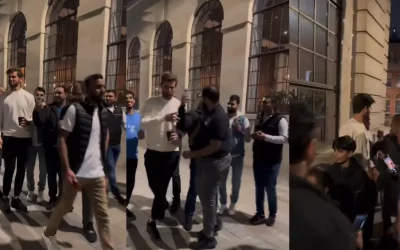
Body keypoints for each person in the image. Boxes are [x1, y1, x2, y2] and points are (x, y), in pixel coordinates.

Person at [41, 74, 114, 250]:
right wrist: (67, 169)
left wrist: (102, 167)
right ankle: (49, 233)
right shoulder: (75, 110)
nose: (102, 90)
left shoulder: (104, 111)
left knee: (103, 216)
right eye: (97, 87)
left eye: (103, 86)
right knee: (64, 207)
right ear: (88, 90)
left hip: (96, 174)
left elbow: (106, 136)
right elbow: (62, 139)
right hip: (76, 172)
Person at [290, 102, 362, 250]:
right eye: (335, 150)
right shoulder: (329, 171)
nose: (336, 154)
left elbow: (363, 210)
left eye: (340, 151)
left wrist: (353, 229)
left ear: (349, 153)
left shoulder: (360, 178)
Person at [182, 86, 231, 249]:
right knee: (209, 195)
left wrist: (192, 154)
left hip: (215, 162)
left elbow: (215, 147)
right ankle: (214, 224)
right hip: (207, 161)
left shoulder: (219, 117)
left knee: (207, 199)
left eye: (202, 97)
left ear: (207, 98)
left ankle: (209, 237)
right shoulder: (209, 111)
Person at [140, 71, 181, 239]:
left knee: (161, 189)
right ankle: (162, 203)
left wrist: (179, 135)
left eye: (172, 87)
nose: (169, 90)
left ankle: (152, 220)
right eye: (166, 87)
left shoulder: (179, 104)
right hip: (153, 152)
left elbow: (184, 126)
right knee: (154, 185)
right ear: (160, 85)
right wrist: (163, 117)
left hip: (171, 152)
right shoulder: (151, 102)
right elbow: (142, 122)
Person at [0, 67, 35, 213]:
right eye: (9, 77)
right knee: (9, 169)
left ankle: (16, 198)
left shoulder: (28, 97)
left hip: (24, 138)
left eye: (14, 77)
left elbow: (34, 118)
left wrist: (29, 122)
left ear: (20, 79)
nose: (11, 79)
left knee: (21, 170)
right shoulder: (3, 97)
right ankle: (6, 197)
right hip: (8, 137)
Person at [249, 96, 288, 226]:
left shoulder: (280, 119)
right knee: (258, 187)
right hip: (258, 158)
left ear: (273, 104)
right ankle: (260, 213)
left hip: (272, 160)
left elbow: (284, 138)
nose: (263, 105)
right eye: (262, 102)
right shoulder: (260, 117)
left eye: (266, 102)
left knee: (270, 188)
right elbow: (254, 132)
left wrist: (266, 137)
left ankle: (272, 214)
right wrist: (254, 136)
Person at [33, 85, 68, 210]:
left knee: (63, 175)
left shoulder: (70, 108)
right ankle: (52, 198)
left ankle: (63, 199)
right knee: (52, 174)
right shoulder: (48, 108)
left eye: (59, 93)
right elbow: (40, 122)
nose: (57, 95)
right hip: (51, 147)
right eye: (55, 93)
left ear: (66, 94)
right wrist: (37, 110)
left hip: (66, 148)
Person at [217, 94, 251, 216]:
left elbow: (248, 139)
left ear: (237, 105)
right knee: (221, 182)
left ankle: (233, 203)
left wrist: (240, 130)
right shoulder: (224, 118)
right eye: (229, 103)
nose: (230, 105)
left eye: (232, 104)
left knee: (236, 182)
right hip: (225, 155)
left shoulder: (243, 119)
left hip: (238, 156)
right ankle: (223, 203)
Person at [176, 91, 203, 231]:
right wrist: (181, 106)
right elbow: (182, 125)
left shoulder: (215, 114)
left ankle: (213, 219)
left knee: (211, 191)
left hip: (211, 160)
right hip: (197, 159)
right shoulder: (193, 114)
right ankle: (188, 216)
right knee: (194, 188)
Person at [339, 93, 375, 170]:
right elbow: (342, 155)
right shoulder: (347, 127)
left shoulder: (363, 126)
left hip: (364, 176)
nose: (370, 111)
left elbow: (366, 154)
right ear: (365, 109)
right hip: (354, 177)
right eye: (369, 108)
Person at [125, 91, 144, 219]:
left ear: (134, 101)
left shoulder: (139, 117)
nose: (128, 100)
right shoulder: (120, 116)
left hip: (133, 156)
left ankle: (125, 205)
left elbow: (141, 136)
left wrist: (143, 131)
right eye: (126, 99)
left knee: (130, 184)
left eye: (131, 98)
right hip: (121, 156)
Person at [104, 89, 125, 205]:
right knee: (111, 168)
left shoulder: (119, 109)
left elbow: (123, 123)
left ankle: (104, 189)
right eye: (107, 96)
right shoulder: (102, 110)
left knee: (109, 169)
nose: (108, 98)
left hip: (117, 145)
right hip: (108, 145)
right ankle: (116, 194)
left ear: (115, 98)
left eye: (110, 96)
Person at [27, 87, 47, 203]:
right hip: (30, 143)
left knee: (43, 169)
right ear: (34, 95)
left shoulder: (46, 109)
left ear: (44, 96)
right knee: (29, 168)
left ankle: (41, 192)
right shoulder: (30, 108)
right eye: (37, 95)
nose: (39, 97)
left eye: (41, 95)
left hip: (42, 143)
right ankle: (30, 190)